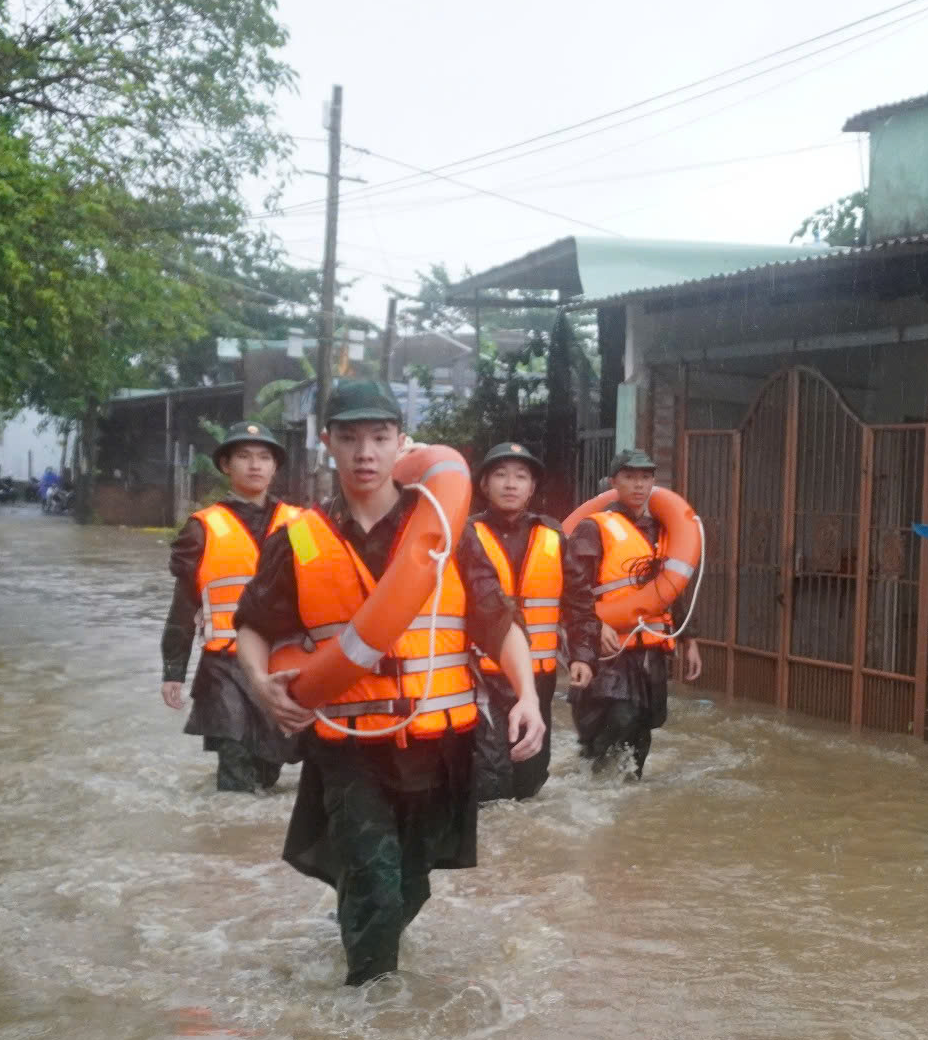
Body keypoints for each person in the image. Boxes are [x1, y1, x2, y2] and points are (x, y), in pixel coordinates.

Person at [230, 379, 547, 985]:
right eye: (349, 438)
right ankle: (364, 1024)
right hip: (348, 746)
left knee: (411, 884)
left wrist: (528, 695)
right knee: (376, 882)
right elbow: (251, 625)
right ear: (328, 444)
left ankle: (357, 939)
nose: (366, 453)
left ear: (401, 441)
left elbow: (496, 620)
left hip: (438, 745)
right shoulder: (297, 538)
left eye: (379, 437)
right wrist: (258, 683)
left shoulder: (446, 535)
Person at [162, 422, 304, 793]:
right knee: (236, 771)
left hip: (284, 663)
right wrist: (173, 669)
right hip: (224, 665)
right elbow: (183, 605)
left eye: (264, 457)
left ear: (275, 467)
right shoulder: (201, 528)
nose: (255, 465)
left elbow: (325, 595)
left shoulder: (302, 525)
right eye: (243, 456)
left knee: (269, 770)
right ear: (226, 465)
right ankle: (226, 843)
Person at [562, 449, 701, 777]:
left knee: (642, 730)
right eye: (629, 477)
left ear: (653, 482)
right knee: (617, 721)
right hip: (609, 651)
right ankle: (590, 795)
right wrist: (595, 626)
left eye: (645, 477)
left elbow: (670, 590)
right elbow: (572, 589)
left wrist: (689, 638)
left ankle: (625, 799)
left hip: (649, 649)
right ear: (614, 482)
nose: (639, 485)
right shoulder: (593, 528)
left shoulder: (661, 530)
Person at [467, 441, 591, 800]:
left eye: (520, 477)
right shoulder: (465, 537)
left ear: (532, 488)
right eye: (501, 475)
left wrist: (582, 654)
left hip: (539, 676)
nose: (510, 484)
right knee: (489, 774)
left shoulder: (553, 536)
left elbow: (579, 601)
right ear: (484, 485)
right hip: (478, 675)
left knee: (531, 773)